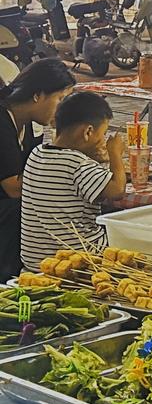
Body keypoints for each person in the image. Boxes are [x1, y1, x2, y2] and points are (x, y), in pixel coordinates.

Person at [21, 92, 126, 271]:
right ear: (88, 132)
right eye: (103, 133)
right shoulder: (77, 164)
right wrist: (115, 153)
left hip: (35, 261)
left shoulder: (37, 153)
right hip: (78, 260)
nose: (103, 140)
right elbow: (117, 191)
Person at [0, 59, 76, 277]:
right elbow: (14, 187)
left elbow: (36, 169)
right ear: (38, 95)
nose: (61, 109)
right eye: (60, 99)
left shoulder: (32, 125)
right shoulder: (2, 121)